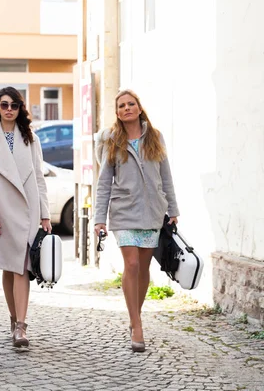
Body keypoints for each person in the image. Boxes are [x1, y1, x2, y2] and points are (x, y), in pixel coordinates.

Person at [94, 89, 179, 353]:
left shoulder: (155, 137)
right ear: (117, 113)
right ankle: (137, 324)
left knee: (143, 269)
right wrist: (99, 218)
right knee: (130, 264)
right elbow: (104, 181)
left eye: (131, 104)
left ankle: (135, 315)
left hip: (152, 211)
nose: (127, 108)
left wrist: (173, 208)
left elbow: (166, 175)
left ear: (139, 108)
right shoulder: (112, 141)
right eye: (122, 105)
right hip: (124, 212)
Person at [0, 86, 51, 348]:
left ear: (20, 109)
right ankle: (14, 317)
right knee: (10, 266)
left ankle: (21, 326)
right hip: (1, 212)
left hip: (27, 212)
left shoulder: (31, 139)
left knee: (23, 267)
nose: (8, 109)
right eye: (4, 105)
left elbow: (38, 178)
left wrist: (46, 215)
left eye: (14, 105)